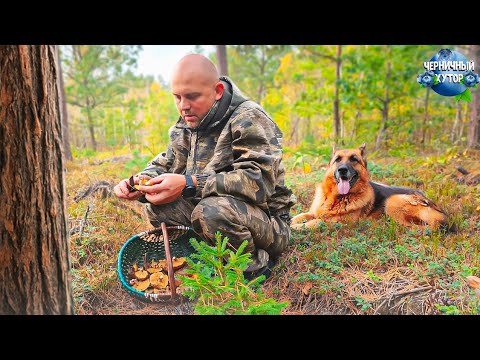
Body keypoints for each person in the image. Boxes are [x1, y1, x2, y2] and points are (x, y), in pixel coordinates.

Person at [113, 54, 296, 279]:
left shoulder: (249, 118)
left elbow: (258, 181)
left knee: (211, 211)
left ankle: (252, 270)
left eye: (192, 96)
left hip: (268, 223)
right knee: (158, 206)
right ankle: (202, 259)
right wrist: (139, 183)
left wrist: (190, 183)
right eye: (177, 97)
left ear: (218, 90)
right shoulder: (186, 124)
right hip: (217, 212)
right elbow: (166, 163)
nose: (183, 106)